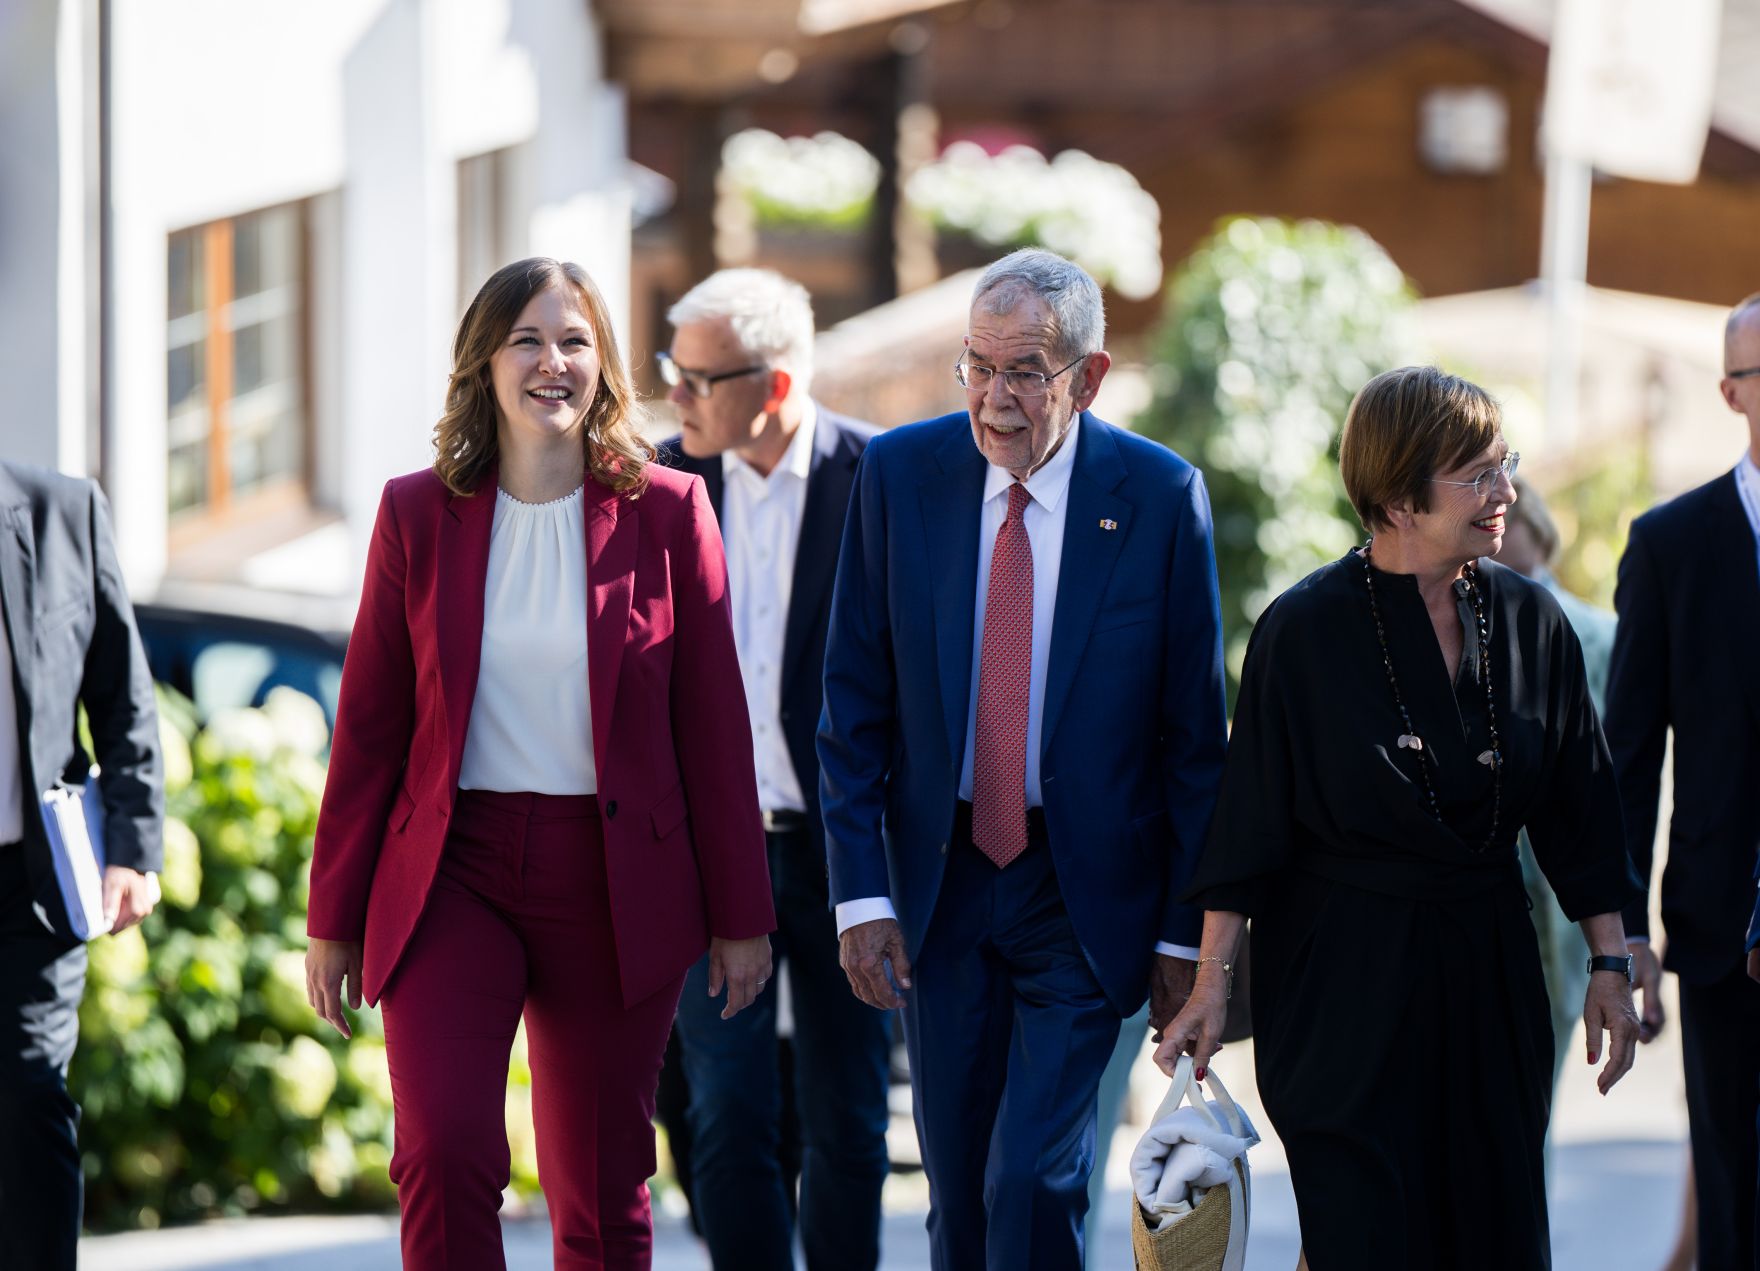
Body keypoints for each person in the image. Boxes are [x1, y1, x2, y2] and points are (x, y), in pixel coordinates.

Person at [304, 257, 776, 1271]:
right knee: (442, 1150)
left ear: (603, 364)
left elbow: (713, 728)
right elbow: (369, 731)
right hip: (453, 872)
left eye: (574, 340)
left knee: (600, 1187)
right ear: (484, 361)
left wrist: (742, 916)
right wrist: (332, 919)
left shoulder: (668, 513)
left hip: (612, 881)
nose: (551, 361)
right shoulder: (414, 514)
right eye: (526, 338)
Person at [1158, 366, 1642, 1267]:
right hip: (1341, 981)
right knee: (1361, 1233)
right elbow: (1250, 821)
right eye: (1479, 473)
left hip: (1488, 969)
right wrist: (1212, 984)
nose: (1506, 492)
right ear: (1397, 496)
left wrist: (1611, 960)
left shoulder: (1536, 622)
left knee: (1489, 1227)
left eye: (1507, 466)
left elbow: (1583, 807)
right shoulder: (1301, 630)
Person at [817, 248, 1228, 1269]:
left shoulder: (1159, 497)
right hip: (941, 881)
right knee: (957, 1195)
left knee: (1033, 1180)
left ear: (1086, 377)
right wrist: (861, 896)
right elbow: (851, 704)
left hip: (1080, 890)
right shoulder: (898, 474)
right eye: (977, 366)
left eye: (1024, 372)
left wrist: (1184, 937)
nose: (994, 399)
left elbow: (1192, 743)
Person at [655, 268, 889, 1271]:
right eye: (672, 372)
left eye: (697, 379)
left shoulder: (878, 481)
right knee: (721, 1116)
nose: (675, 396)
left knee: (849, 1119)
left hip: (842, 855)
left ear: (776, 385)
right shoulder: (657, 485)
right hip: (709, 858)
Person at [1607, 290, 1760, 1270]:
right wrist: (1621, 931)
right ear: (1728, 391)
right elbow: (1626, 757)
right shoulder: (1670, 544)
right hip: (1717, 936)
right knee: (1734, 1210)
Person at [0, 461, 163, 1271]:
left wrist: (132, 847)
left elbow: (121, 692)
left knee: (30, 1098)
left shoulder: (62, 510)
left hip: (26, 878)